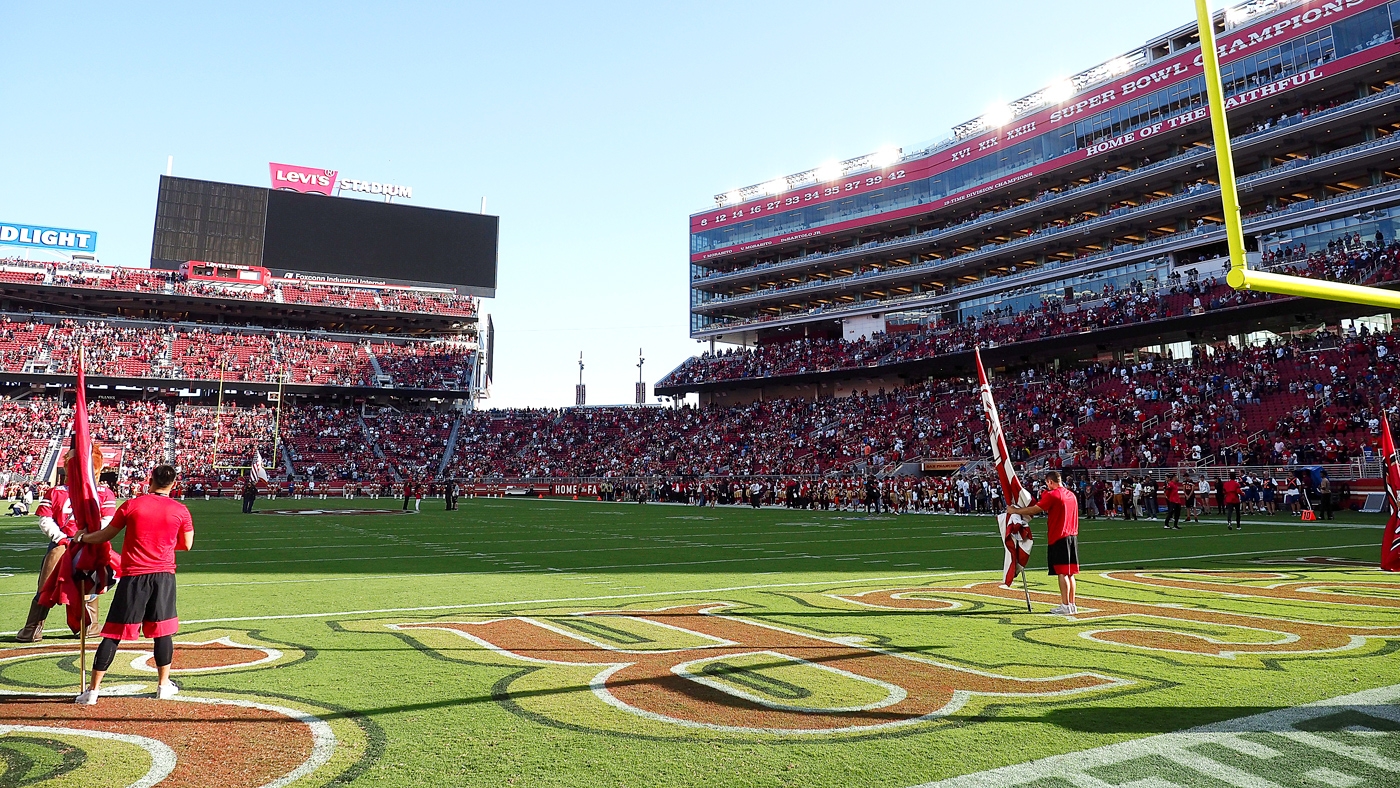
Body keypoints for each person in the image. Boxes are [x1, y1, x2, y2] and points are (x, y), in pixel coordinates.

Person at [70, 464, 194, 705]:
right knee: (163, 631)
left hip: (133, 576)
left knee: (113, 633)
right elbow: (187, 544)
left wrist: (82, 537)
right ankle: (163, 685)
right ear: (173, 484)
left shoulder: (132, 505)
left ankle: (93, 691)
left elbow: (106, 535)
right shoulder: (181, 510)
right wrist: (163, 547)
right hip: (164, 576)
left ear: (151, 480)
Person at [16, 447, 117, 643]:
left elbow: (45, 520)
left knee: (56, 585)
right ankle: (88, 626)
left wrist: (62, 537)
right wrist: (86, 536)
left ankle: (33, 628)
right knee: (82, 585)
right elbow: (107, 520)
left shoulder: (57, 492)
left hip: (67, 543)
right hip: (82, 544)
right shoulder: (102, 492)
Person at [1006, 470, 1079, 615]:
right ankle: (1071, 604)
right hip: (1072, 535)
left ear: (1050, 482)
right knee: (1069, 573)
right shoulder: (1071, 495)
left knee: (1062, 573)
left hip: (1059, 536)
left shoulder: (1053, 495)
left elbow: (1035, 509)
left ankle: (1065, 605)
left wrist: (1015, 510)